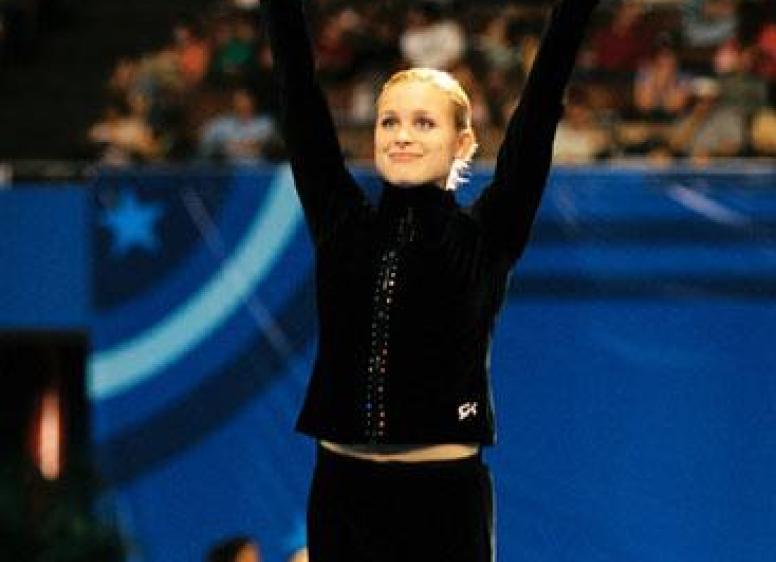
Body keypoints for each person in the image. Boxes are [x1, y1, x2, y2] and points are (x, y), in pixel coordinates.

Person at [263, 0, 599, 560]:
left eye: (424, 122)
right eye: (389, 121)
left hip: (442, 499)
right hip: (342, 491)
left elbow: (541, 105)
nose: (402, 135)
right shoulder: (340, 221)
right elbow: (298, 91)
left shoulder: (489, 233)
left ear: (462, 143)